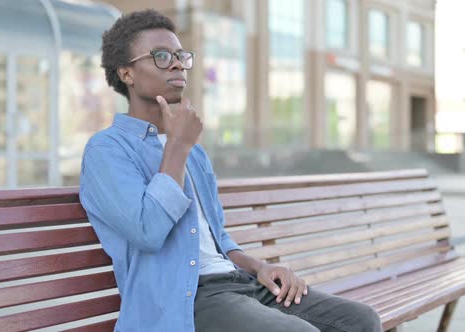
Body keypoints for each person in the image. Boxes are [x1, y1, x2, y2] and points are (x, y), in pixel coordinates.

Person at [80, 9, 382, 332]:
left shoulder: (193, 150)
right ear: (127, 74)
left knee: (361, 321)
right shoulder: (108, 150)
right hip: (184, 299)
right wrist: (178, 147)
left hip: (239, 284)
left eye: (181, 55)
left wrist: (259, 266)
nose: (178, 63)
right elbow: (148, 231)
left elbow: (216, 236)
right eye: (162, 56)